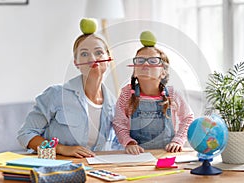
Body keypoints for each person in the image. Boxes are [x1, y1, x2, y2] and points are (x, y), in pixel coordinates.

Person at [17, 18, 121, 158]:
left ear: (108, 59)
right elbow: (26, 135)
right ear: (76, 63)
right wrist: (61, 149)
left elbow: (116, 144)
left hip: (96, 171)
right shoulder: (55, 94)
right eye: (84, 54)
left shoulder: (114, 105)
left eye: (98, 52)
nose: (92, 58)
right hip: (57, 169)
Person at [112, 31, 194, 155]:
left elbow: (188, 118)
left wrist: (178, 141)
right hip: (136, 156)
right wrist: (129, 143)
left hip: (166, 154)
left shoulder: (172, 94)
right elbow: (118, 122)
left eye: (153, 61)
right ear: (134, 71)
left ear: (163, 72)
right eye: (140, 61)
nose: (145, 64)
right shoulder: (127, 94)